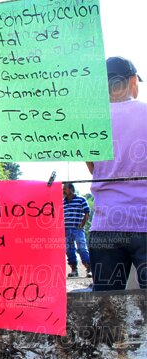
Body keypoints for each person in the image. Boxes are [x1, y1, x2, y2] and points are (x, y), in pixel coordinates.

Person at [86, 56, 147, 291]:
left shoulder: (91, 123)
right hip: (143, 221)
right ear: (132, 81)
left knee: (106, 307)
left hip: (106, 224)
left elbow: (95, 169)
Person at [63, 183, 91, 278]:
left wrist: (82, 225)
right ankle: (74, 270)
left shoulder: (81, 199)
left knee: (82, 248)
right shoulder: (62, 202)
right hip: (66, 230)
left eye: (65, 189)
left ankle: (89, 269)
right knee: (69, 250)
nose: (63, 191)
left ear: (71, 189)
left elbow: (87, 213)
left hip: (77, 229)